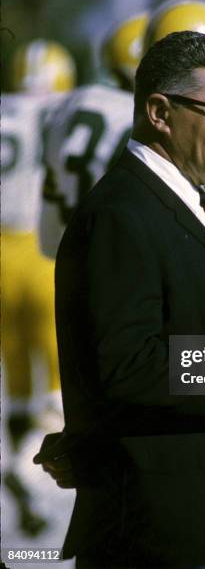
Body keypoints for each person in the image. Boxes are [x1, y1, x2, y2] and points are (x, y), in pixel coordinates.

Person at [36, 31, 205, 569]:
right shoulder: (122, 213)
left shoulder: (179, 199)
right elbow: (128, 363)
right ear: (159, 111)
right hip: (161, 536)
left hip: (204, 519)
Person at [1, 38, 75, 534]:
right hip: (43, 251)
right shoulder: (68, 113)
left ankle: (14, 453)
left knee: (16, 382)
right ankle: (27, 467)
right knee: (59, 380)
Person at [39, 12, 149, 259]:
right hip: (121, 266)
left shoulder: (68, 105)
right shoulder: (145, 119)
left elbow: (48, 236)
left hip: (66, 262)